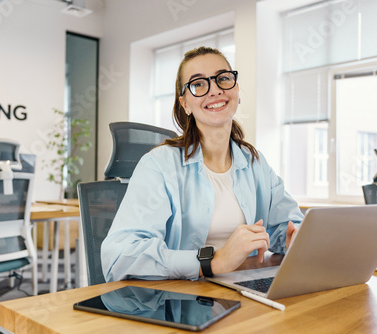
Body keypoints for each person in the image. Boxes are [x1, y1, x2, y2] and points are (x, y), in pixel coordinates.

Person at [101, 46, 304, 282]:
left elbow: (286, 226)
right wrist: (214, 261)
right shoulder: (159, 165)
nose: (215, 90)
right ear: (185, 104)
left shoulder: (254, 162)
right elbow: (119, 256)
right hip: (181, 302)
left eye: (223, 79)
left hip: (244, 290)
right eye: (198, 84)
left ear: (236, 90)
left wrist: (295, 237)